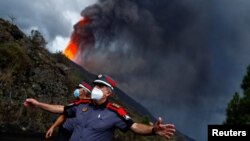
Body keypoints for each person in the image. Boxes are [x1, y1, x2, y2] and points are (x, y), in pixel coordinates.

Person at [24, 74, 175, 141]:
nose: (95, 88)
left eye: (100, 86)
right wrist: (38, 104)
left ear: (108, 92)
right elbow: (61, 109)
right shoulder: (81, 105)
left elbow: (134, 126)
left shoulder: (115, 112)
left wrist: (153, 130)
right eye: (95, 85)